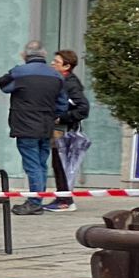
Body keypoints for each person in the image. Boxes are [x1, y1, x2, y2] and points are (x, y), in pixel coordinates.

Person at [0, 41, 70, 214]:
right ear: (44, 55)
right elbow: (62, 105)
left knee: (32, 164)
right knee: (41, 163)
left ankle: (35, 202)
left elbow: (3, 86)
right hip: (46, 125)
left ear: (25, 55)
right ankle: (38, 199)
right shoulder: (56, 75)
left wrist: (13, 71)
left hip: (25, 125)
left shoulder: (19, 72)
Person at [49, 48, 89, 212]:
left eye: (56, 62)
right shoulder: (59, 80)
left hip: (65, 131)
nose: (52, 63)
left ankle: (65, 200)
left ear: (66, 66)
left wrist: (61, 118)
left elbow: (83, 108)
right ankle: (62, 197)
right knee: (57, 164)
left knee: (62, 164)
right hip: (58, 130)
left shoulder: (70, 84)